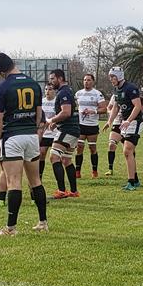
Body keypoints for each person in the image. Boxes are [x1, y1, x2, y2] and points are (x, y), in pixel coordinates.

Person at [0, 53, 49, 235]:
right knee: (35, 181)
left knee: (13, 181)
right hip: (31, 136)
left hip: (12, 137)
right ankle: (42, 222)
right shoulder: (34, 83)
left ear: (1, 71)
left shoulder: (3, 87)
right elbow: (40, 115)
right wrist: (34, 131)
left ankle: (10, 228)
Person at [43, 69, 81, 198]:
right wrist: (56, 122)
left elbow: (66, 112)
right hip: (72, 129)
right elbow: (66, 113)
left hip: (68, 129)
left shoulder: (64, 92)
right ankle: (74, 191)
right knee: (66, 160)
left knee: (54, 157)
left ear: (60, 78)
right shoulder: (67, 91)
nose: (51, 82)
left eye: (53, 79)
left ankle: (61, 191)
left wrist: (51, 120)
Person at [106, 66, 143, 191]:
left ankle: (131, 182)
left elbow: (137, 106)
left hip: (135, 122)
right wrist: (109, 121)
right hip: (125, 122)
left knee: (127, 150)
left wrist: (129, 120)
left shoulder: (130, 88)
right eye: (110, 77)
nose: (111, 79)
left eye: (113, 77)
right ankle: (135, 180)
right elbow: (116, 107)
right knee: (128, 151)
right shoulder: (117, 90)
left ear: (119, 76)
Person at [74, 73, 105, 179]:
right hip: (81, 125)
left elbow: (104, 109)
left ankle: (94, 171)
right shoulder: (78, 94)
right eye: (85, 80)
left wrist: (93, 111)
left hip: (92, 125)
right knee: (79, 147)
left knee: (92, 148)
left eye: (88, 80)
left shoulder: (97, 94)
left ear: (93, 81)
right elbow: (74, 108)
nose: (86, 82)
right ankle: (77, 171)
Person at [38, 82, 59, 182]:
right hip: (44, 133)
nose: (47, 91)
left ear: (55, 91)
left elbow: (62, 115)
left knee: (57, 157)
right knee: (41, 154)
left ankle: (59, 179)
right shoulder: (41, 102)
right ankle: (39, 177)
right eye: (46, 89)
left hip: (56, 133)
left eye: (50, 89)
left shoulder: (57, 102)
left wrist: (54, 122)